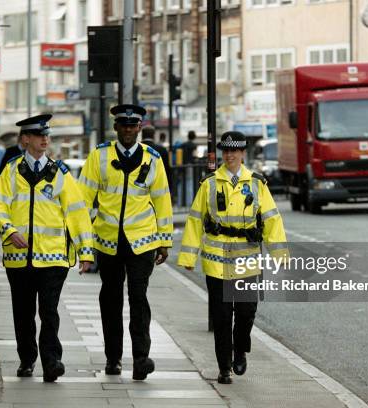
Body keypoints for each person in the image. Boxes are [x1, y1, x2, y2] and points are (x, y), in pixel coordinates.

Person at [177, 131, 288, 384]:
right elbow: (195, 221)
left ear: (242, 153)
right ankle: (224, 366)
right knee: (222, 316)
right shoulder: (209, 184)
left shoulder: (257, 184)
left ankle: (240, 350)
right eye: (226, 151)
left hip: (247, 260)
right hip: (217, 262)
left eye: (234, 151)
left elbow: (271, 218)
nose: (230, 155)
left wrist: (279, 252)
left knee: (247, 312)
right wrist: (188, 256)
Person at [0, 114, 95, 382]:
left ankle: (52, 362)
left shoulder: (60, 173)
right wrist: (10, 231)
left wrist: (86, 252)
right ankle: (27, 360)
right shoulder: (12, 171)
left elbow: (77, 213)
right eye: (39, 135)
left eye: (46, 135)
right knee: (23, 312)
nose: (45, 139)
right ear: (25, 139)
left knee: (49, 311)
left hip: (53, 258)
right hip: (19, 258)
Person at [78, 104, 173, 381]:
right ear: (116, 127)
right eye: (124, 125)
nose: (129, 130)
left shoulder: (152, 159)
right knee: (110, 299)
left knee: (138, 298)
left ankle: (141, 359)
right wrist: (83, 240)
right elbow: (83, 199)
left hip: (141, 241)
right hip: (107, 240)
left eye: (134, 126)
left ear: (140, 128)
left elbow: (162, 200)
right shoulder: (100, 156)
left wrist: (164, 240)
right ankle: (113, 358)